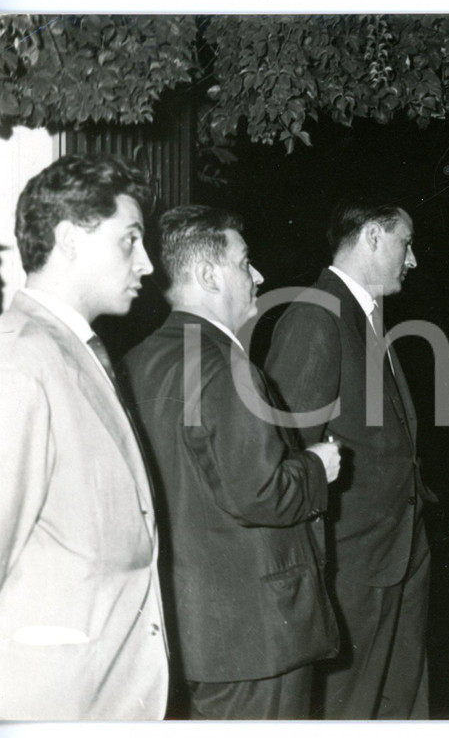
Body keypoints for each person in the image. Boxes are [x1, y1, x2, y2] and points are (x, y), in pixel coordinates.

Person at [120, 205, 342, 719]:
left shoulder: (138, 361)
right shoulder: (225, 365)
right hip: (255, 634)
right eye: (245, 262)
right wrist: (316, 466)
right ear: (207, 274)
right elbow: (259, 492)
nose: (258, 275)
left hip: (190, 628)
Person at [0, 155, 169, 718]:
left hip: (106, 694)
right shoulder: (20, 360)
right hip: (54, 703)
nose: (147, 264)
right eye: (130, 241)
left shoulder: (74, 349)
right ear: (70, 239)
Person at [266, 198, 434, 719]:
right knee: (349, 708)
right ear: (373, 238)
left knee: (397, 700)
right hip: (352, 560)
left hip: (397, 549)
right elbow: (289, 451)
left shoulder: (362, 315)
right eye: (406, 244)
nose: (413, 260)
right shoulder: (317, 315)